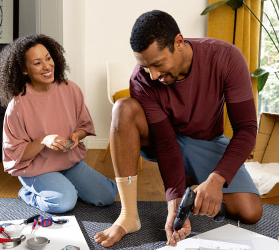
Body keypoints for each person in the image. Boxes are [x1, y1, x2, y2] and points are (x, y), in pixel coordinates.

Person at [94, 10, 263, 247]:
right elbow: (165, 143)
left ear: (179, 42)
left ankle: (194, 184)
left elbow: (246, 129)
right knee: (123, 108)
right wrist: (173, 204)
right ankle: (128, 215)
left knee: (250, 211)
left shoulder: (227, 58)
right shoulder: (142, 80)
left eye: (157, 64)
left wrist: (216, 180)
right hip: (161, 140)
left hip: (206, 141)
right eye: (145, 67)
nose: (152, 75)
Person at [0, 34, 118, 213]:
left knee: (108, 195)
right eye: (37, 63)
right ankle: (28, 193)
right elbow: (16, 154)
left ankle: (63, 187)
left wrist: (77, 136)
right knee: (64, 203)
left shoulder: (70, 89)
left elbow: (84, 126)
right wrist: (43, 140)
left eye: (48, 58)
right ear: (24, 70)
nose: (47, 66)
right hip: (35, 169)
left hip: (69, 163)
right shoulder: (18, 105)